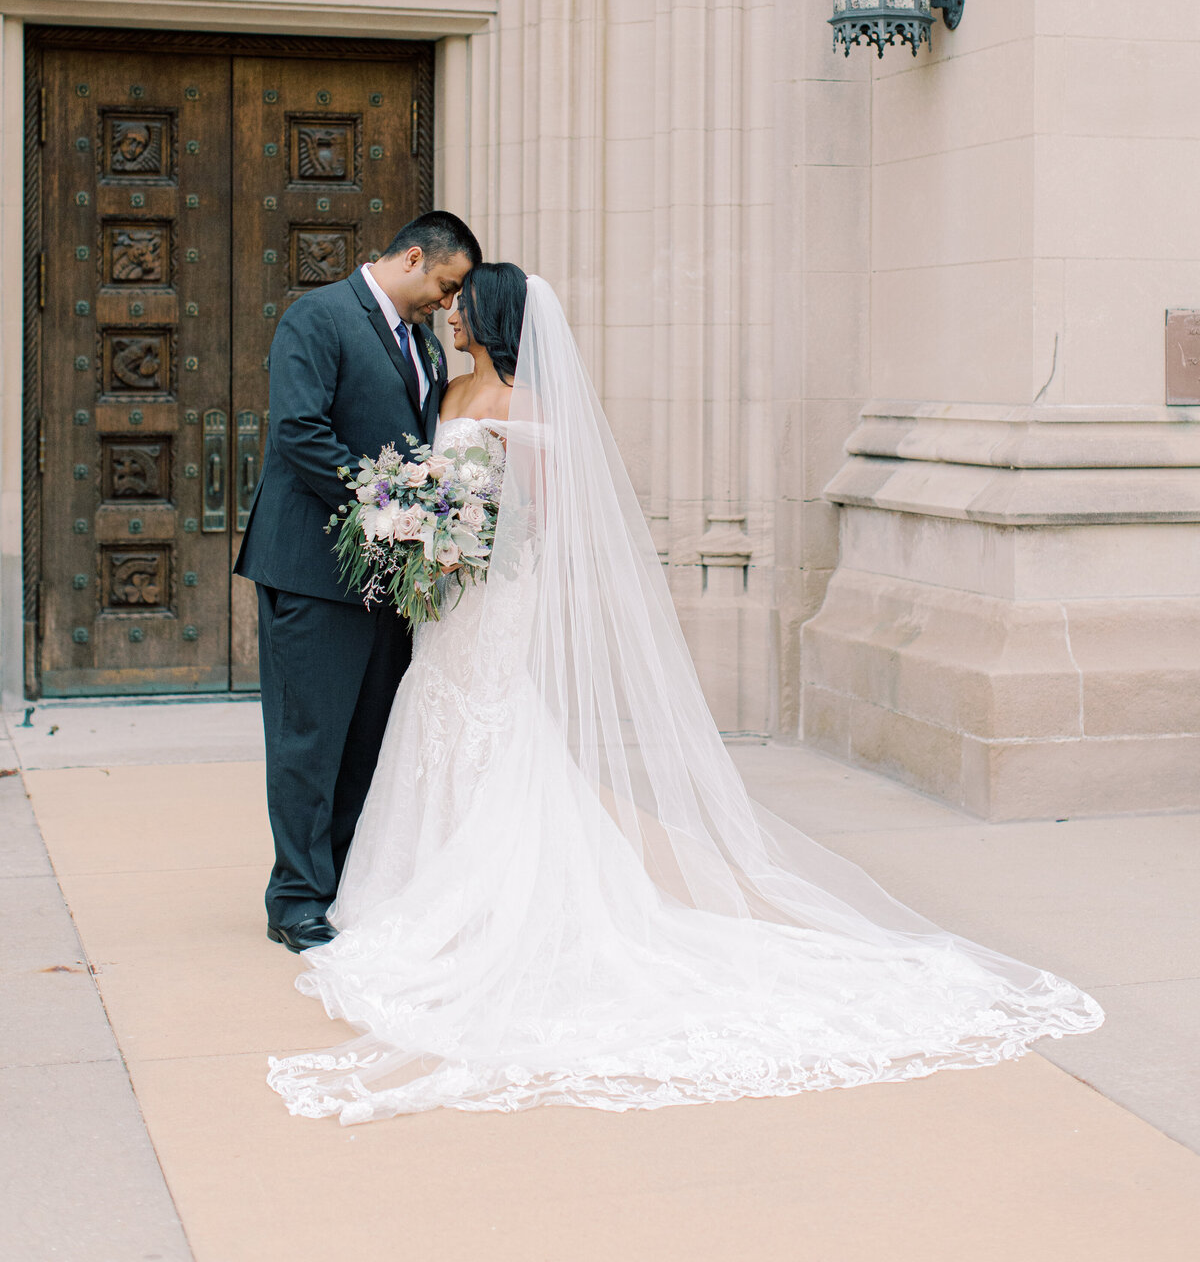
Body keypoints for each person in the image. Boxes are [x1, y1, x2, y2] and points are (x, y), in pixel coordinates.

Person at [267, 269, 1103, 1119]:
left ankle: (490, 898)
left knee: (488, 716)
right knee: (433, 710)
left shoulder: (527, 406)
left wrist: (470, 532)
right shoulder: (450, 389)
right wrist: (423, 525)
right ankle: (414, 881)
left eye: (461, 303)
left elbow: (548, 516)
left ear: (490, 316)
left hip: (492, 590)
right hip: (447, 598)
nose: (449, 312)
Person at [235, 210, 482, 953]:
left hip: (388, 579)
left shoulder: (428, 351)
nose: (448, 305)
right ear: (412, 257)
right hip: (312, 569)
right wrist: (394, 506)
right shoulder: (318, 317)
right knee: (310, 741)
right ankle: (297, 900)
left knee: (368, 741)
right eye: (445, 286)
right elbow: (301, 433)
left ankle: (346, 883)